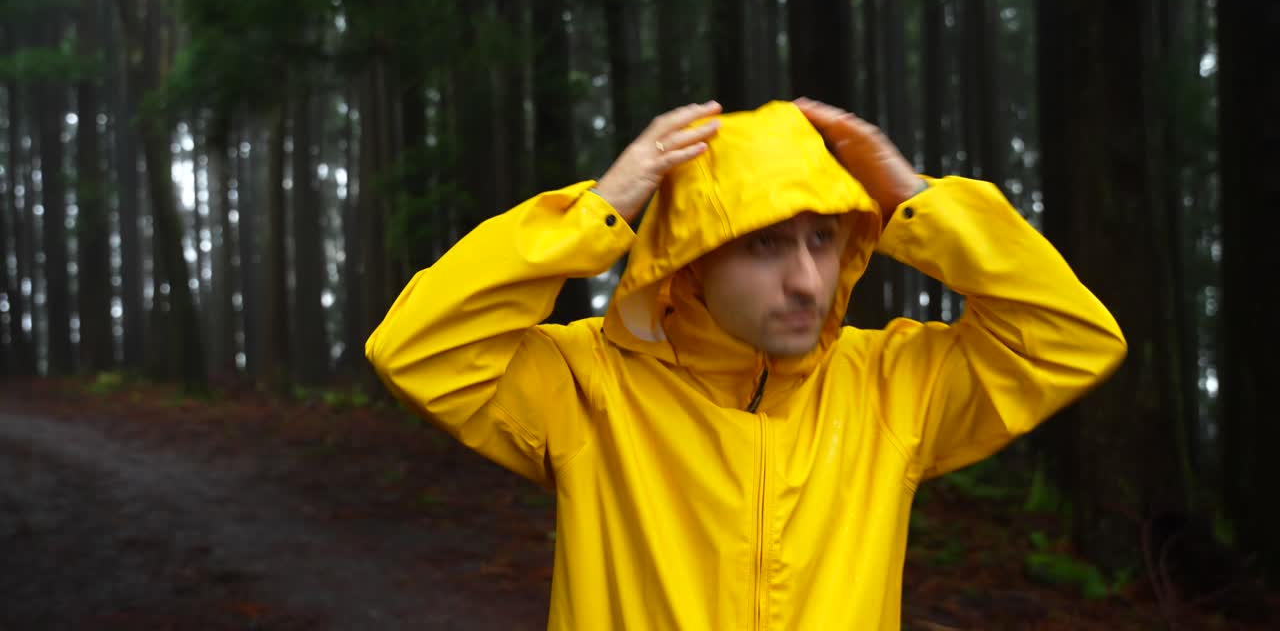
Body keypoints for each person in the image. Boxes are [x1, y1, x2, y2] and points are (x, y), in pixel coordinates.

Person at [365, 99, 1126, 630]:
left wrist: (918, 203)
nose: (806, 279)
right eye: (765, 245)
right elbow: (419, 350)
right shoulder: (590, 388)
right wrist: (599, 212)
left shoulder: (892, 387)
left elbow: (1071, 340)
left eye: (822, 240)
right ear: (688, 263)